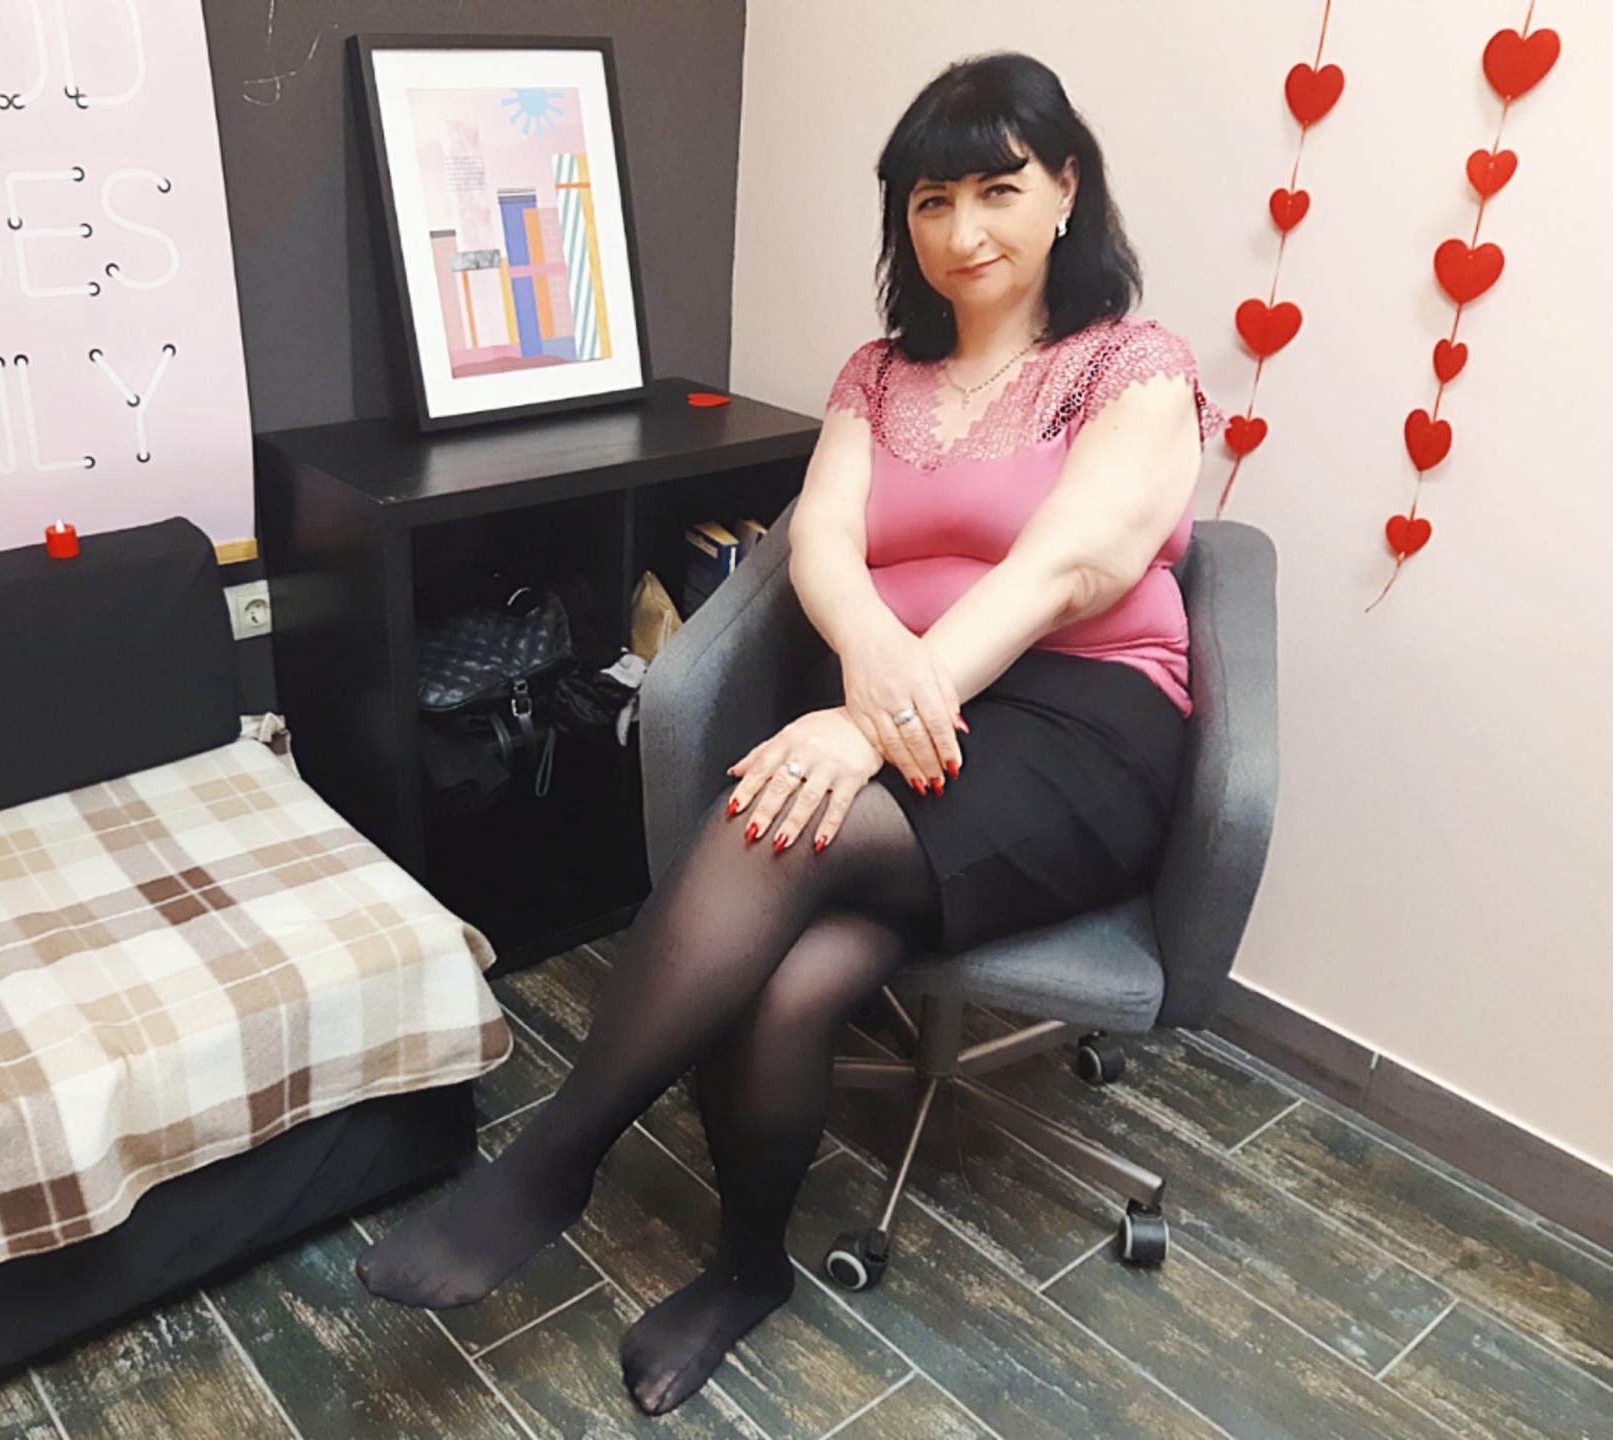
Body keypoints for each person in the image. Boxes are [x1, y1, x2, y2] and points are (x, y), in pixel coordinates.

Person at [354, 50, 1226, 1417]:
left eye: (998, 191)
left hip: (1077, 726)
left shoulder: (1134, 364)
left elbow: (1071, 567)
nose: (964, 231)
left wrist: (872, 727)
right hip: (910, 710)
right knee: (793, 981)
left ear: (1067, 189)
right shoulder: (879, 374)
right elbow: (819, 541)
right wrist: (871, 667)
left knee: (768, 825)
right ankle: (746, 1269)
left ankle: (555, 1160)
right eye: (931, 202)